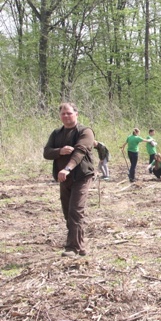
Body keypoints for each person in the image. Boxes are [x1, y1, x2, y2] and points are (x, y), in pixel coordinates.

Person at [43, 102, 95, 257]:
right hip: (63, 178)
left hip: (81, 176)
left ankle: (72, 248)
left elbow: (80, 151)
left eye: (69, 113)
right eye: (63, 114)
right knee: (67, 212)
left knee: (75, 210)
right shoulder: (56, 133)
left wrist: (67, 168)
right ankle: (80, 245)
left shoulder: (85, 131)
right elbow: (46, 152)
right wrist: (60, 151)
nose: (66, 116)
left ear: (76, 114)